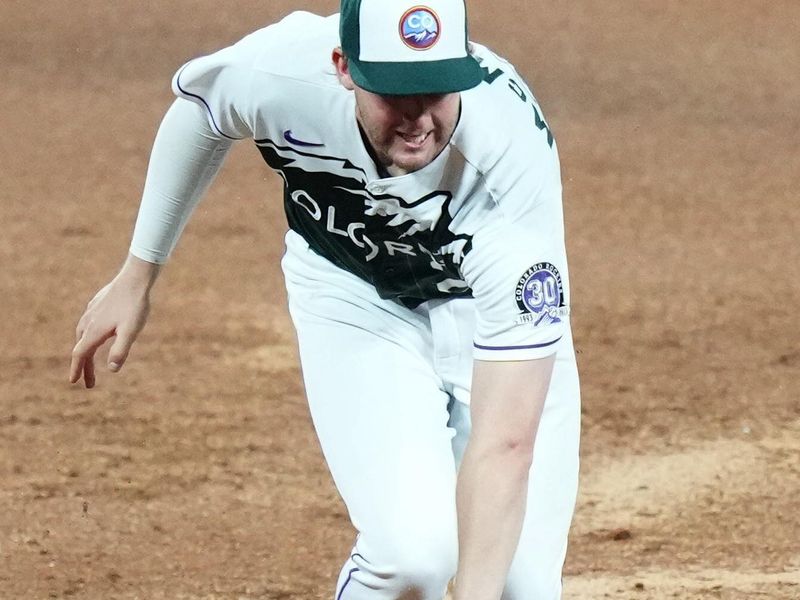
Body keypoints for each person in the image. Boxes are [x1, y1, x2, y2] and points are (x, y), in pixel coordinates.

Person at [69, 0, 581, 598]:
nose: (418, 119)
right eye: (395, 93)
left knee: (516, 585)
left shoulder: (509, 174)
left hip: (484, 313)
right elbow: (201, 113)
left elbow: (505, 444)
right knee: (411, 556)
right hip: (354, 294)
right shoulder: (283, 74)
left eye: (436, 90)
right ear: (343, 67)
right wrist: (138, 274)